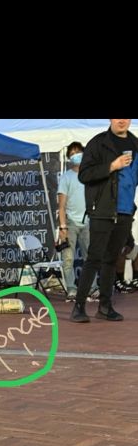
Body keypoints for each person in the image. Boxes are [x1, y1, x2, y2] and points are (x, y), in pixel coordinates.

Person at [71, 119, 138, 323]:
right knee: (94, 258)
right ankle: (79, 306)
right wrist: (111, 166)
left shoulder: (136, 144)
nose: (121, 120)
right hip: (102, 210)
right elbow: (84, 174)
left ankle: (105, 307)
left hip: (126, 211)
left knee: (111, 260)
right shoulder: (99, 143)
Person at [57, 142, 91, 300]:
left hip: (89, 221)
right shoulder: (66, 177)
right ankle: (71, 288)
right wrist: (63, 227)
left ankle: (93, 287)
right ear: (69, 158)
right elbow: (62, 206)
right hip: (70, 222)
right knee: (68, 258)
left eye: (78, 152)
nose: (76, 155)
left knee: (90, 257)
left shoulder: (91, 174)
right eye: (72, 153)